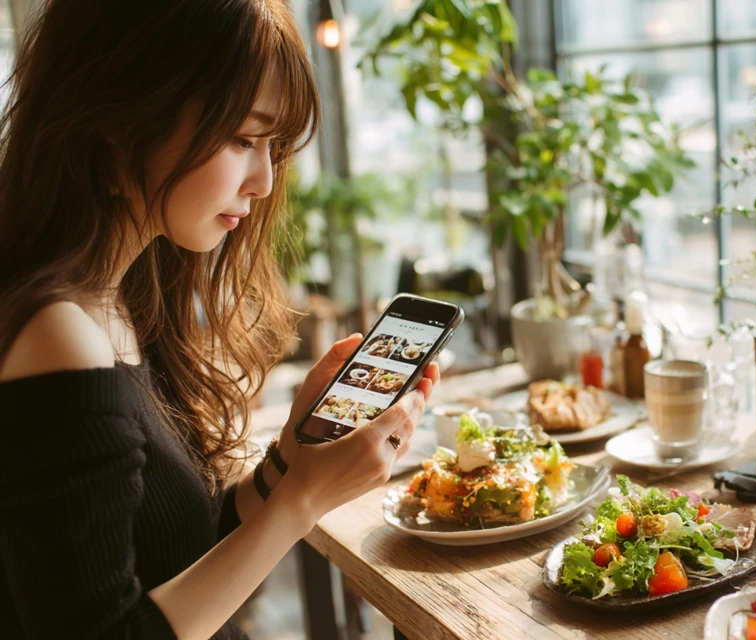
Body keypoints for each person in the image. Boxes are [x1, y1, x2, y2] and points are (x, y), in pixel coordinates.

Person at [0, 1, 439, 638]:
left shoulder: (120, 301)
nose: (264, 180)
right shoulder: (56, 337)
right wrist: (302, 501)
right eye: (242, 138)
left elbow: (173, 557)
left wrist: (293, 456)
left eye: (273, 146)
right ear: (123, 119)